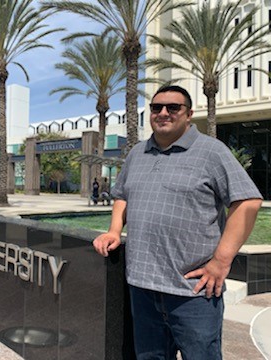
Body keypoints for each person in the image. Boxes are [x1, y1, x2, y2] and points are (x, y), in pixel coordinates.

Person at [93, 85, 262, 360]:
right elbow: (122, 195)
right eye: (156, 108)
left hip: (193, 294)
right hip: (142, 288)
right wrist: (114, 230)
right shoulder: (137, 153)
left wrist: (221, 261)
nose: (163, 113)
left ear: (189, 115)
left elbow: (247, 202)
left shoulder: (211, 152)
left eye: (173, 108)